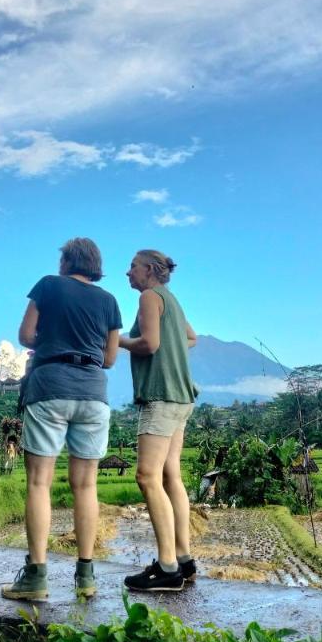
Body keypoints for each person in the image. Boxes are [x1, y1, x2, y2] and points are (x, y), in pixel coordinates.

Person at [1, 238, 121, 601]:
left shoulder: (49, 286)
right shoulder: (110, 301)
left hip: (50, 385)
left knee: (40, 483)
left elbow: (25, 336)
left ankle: (36, 577)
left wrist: (51, 338)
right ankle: (85, 577)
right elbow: (111, 359)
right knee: (86, 487)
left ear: (67, 261)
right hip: (93, 394)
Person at [119, 249, 197, 592]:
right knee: (170, 476)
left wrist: (114, 340)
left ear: (149, 270)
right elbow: (190, 337)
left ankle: (167, 568)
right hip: (183, 396)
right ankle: (183, 558)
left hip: (161, 396)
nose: (128, 272)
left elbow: (149, 344)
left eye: (133, 266)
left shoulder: (151, 297)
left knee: (147, 476)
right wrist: (173, 351)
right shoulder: (171, 299)